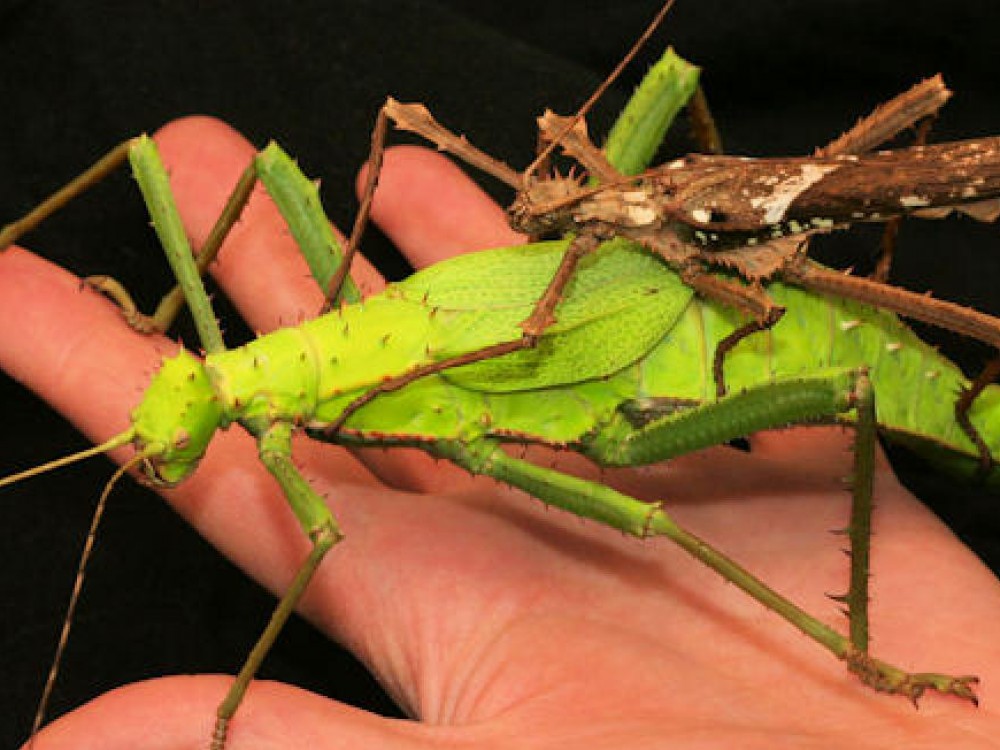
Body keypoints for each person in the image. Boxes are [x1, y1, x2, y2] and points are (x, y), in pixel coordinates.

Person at [2, 116, 997, 749]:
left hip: (693, 345)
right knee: (194, 160)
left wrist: (231, 709)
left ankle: (860, 658)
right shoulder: (290, 382)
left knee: (703, 483)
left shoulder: (278, 426)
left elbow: (322, 533)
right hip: (616, 304)